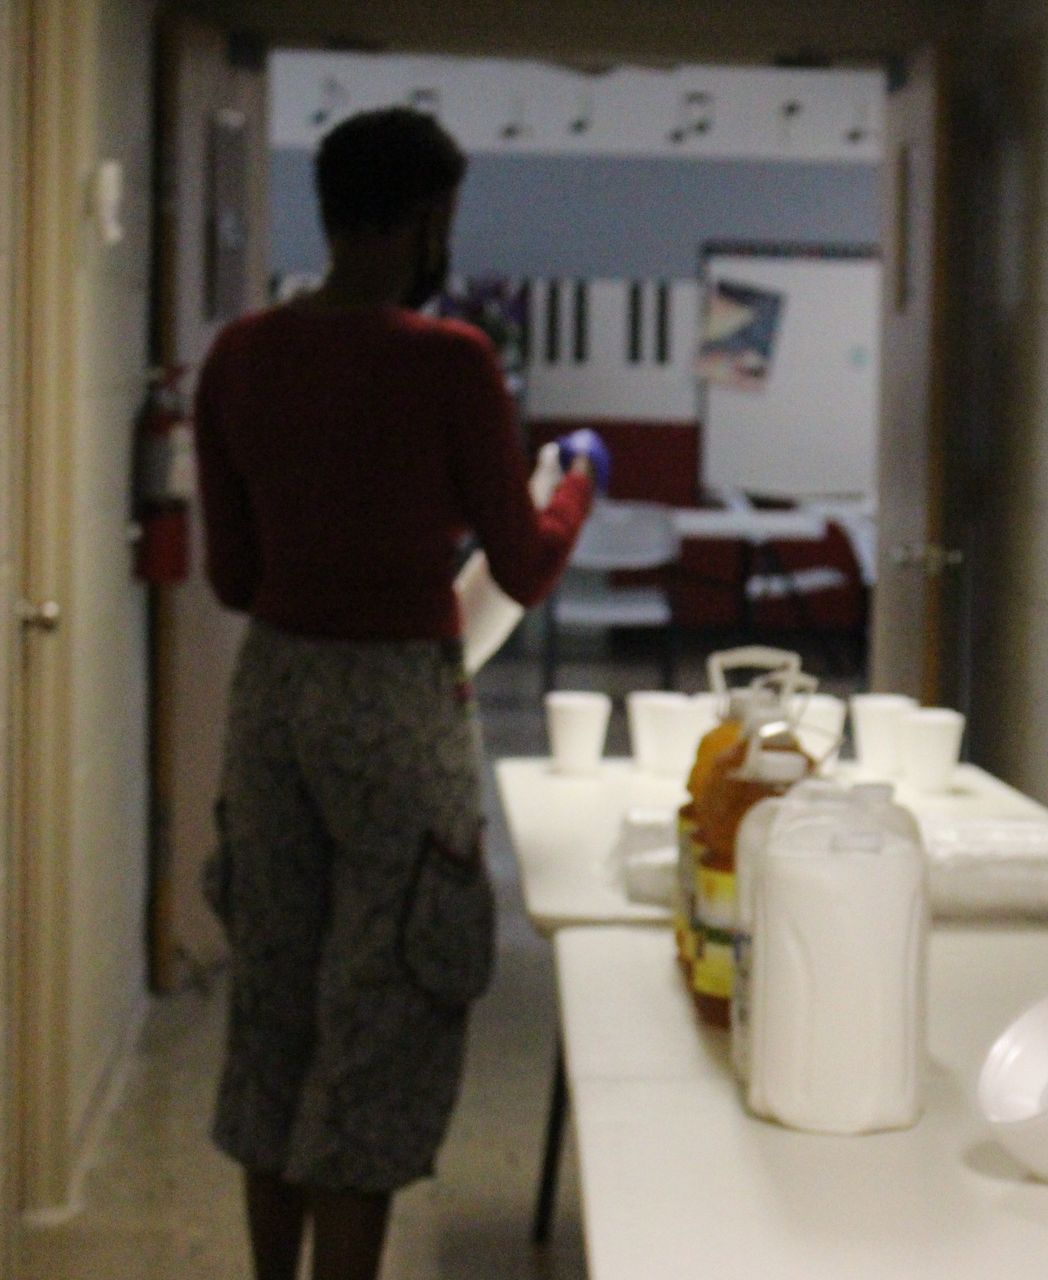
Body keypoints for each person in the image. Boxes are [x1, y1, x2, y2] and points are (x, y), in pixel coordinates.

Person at [193, 107, 601, 1280]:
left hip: (274, 696)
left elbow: (233, 579)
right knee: (381, 1013)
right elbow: (523, 563)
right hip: (395, 709)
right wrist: (573, 485)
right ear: (427, 218)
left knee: (274, 1005)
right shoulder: (448, 362)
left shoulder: (240, 356)